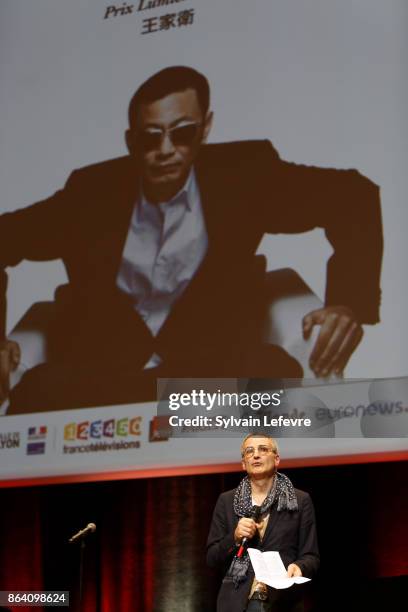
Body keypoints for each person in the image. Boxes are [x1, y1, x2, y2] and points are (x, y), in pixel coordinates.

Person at [0, 66, 382, 412]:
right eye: (151, 138)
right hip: (105, 380)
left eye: (182, 133)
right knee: (38, 390)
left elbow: (352, 196)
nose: (166, 151)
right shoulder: (90, 194)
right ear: (131, 141)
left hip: (206, 376)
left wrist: (347, 303)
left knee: (270, 373)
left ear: (206, 127)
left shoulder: (244, 176)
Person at [207, 433, 319, 611]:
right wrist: (234, 537)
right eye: (249, 451)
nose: (256, 455)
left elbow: (311, 556)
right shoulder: (226, 501)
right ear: (244, 463)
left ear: (276, 459)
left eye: (263, 449)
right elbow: (212, 558)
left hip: (282, 601)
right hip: (236, 602)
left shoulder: (299, 500)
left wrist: (299, 567)